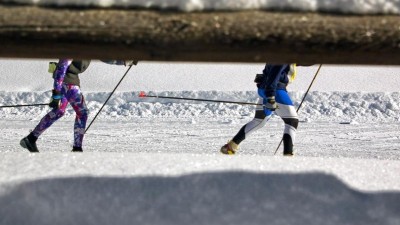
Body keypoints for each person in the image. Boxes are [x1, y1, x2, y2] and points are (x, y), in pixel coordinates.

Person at [20, 59, 136, 153]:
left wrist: (125, 61)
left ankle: (30, 139)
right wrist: (56, 94)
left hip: (70, 80)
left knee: (59, 111)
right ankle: (77, 149)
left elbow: (106, 58)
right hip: (66, 81)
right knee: (82, 112)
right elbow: (62, 67)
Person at [220, 63, 299, 156]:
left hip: (266, 88)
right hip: (275, 90)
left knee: (259, 120)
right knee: (292, 121)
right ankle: (288, 154)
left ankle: (231, 146)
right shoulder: (284, 52)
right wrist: (271, 97)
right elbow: (274, 74)